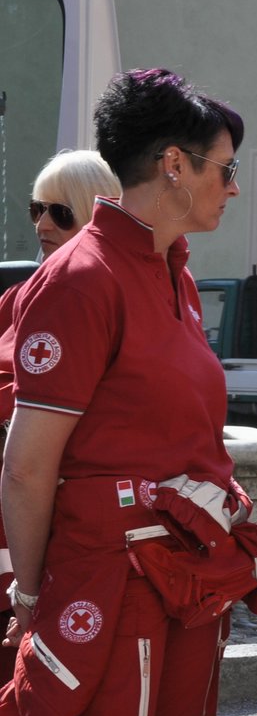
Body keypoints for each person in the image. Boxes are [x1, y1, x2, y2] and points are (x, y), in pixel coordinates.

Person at [0, 68, 257, 716]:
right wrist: (32, 592)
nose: (234, 188)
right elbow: (26, 465)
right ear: (173, 165)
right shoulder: (82, 277)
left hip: (183, 581)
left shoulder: (173, 274)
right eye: (225, 169)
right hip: (109, 579)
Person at [0, 151, 120, 674]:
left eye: (61, 212)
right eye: (35, 209)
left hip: (56, 538)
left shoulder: (115, 301)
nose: (44, 224)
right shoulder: (18, 297)